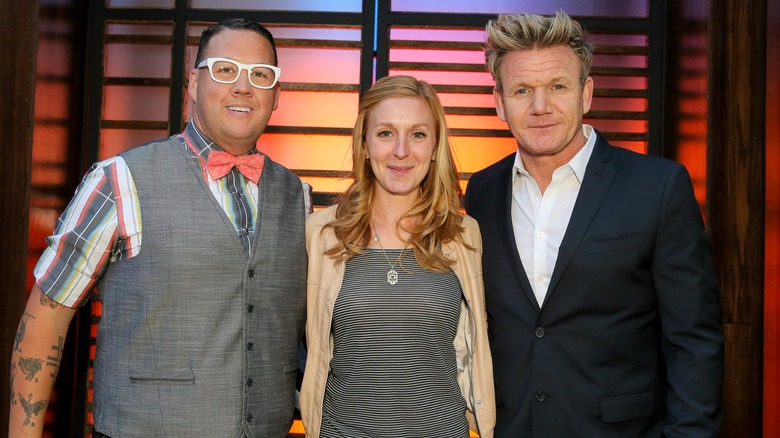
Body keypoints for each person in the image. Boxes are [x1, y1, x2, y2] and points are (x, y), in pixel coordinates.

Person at [9, 18, 309, 438]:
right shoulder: (119, 180)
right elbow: (46, 315)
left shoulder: (299, 196)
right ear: (194, 83)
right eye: (225, 69)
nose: (243, 87)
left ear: (276, 95)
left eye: (260, 75)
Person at [464, 11, 724, 437]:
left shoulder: (657, 187)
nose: (540, 107)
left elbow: (694, 342)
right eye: (522, 90)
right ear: (499, 101)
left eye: (558, 86)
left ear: (586, 93)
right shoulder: (482, 191)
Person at [300, 75, 495, 438]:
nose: (401, 151)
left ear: (435, 146)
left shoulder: (463, 234)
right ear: (364, 144)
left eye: (418, 134)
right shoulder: (320, 233)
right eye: (386, 133)